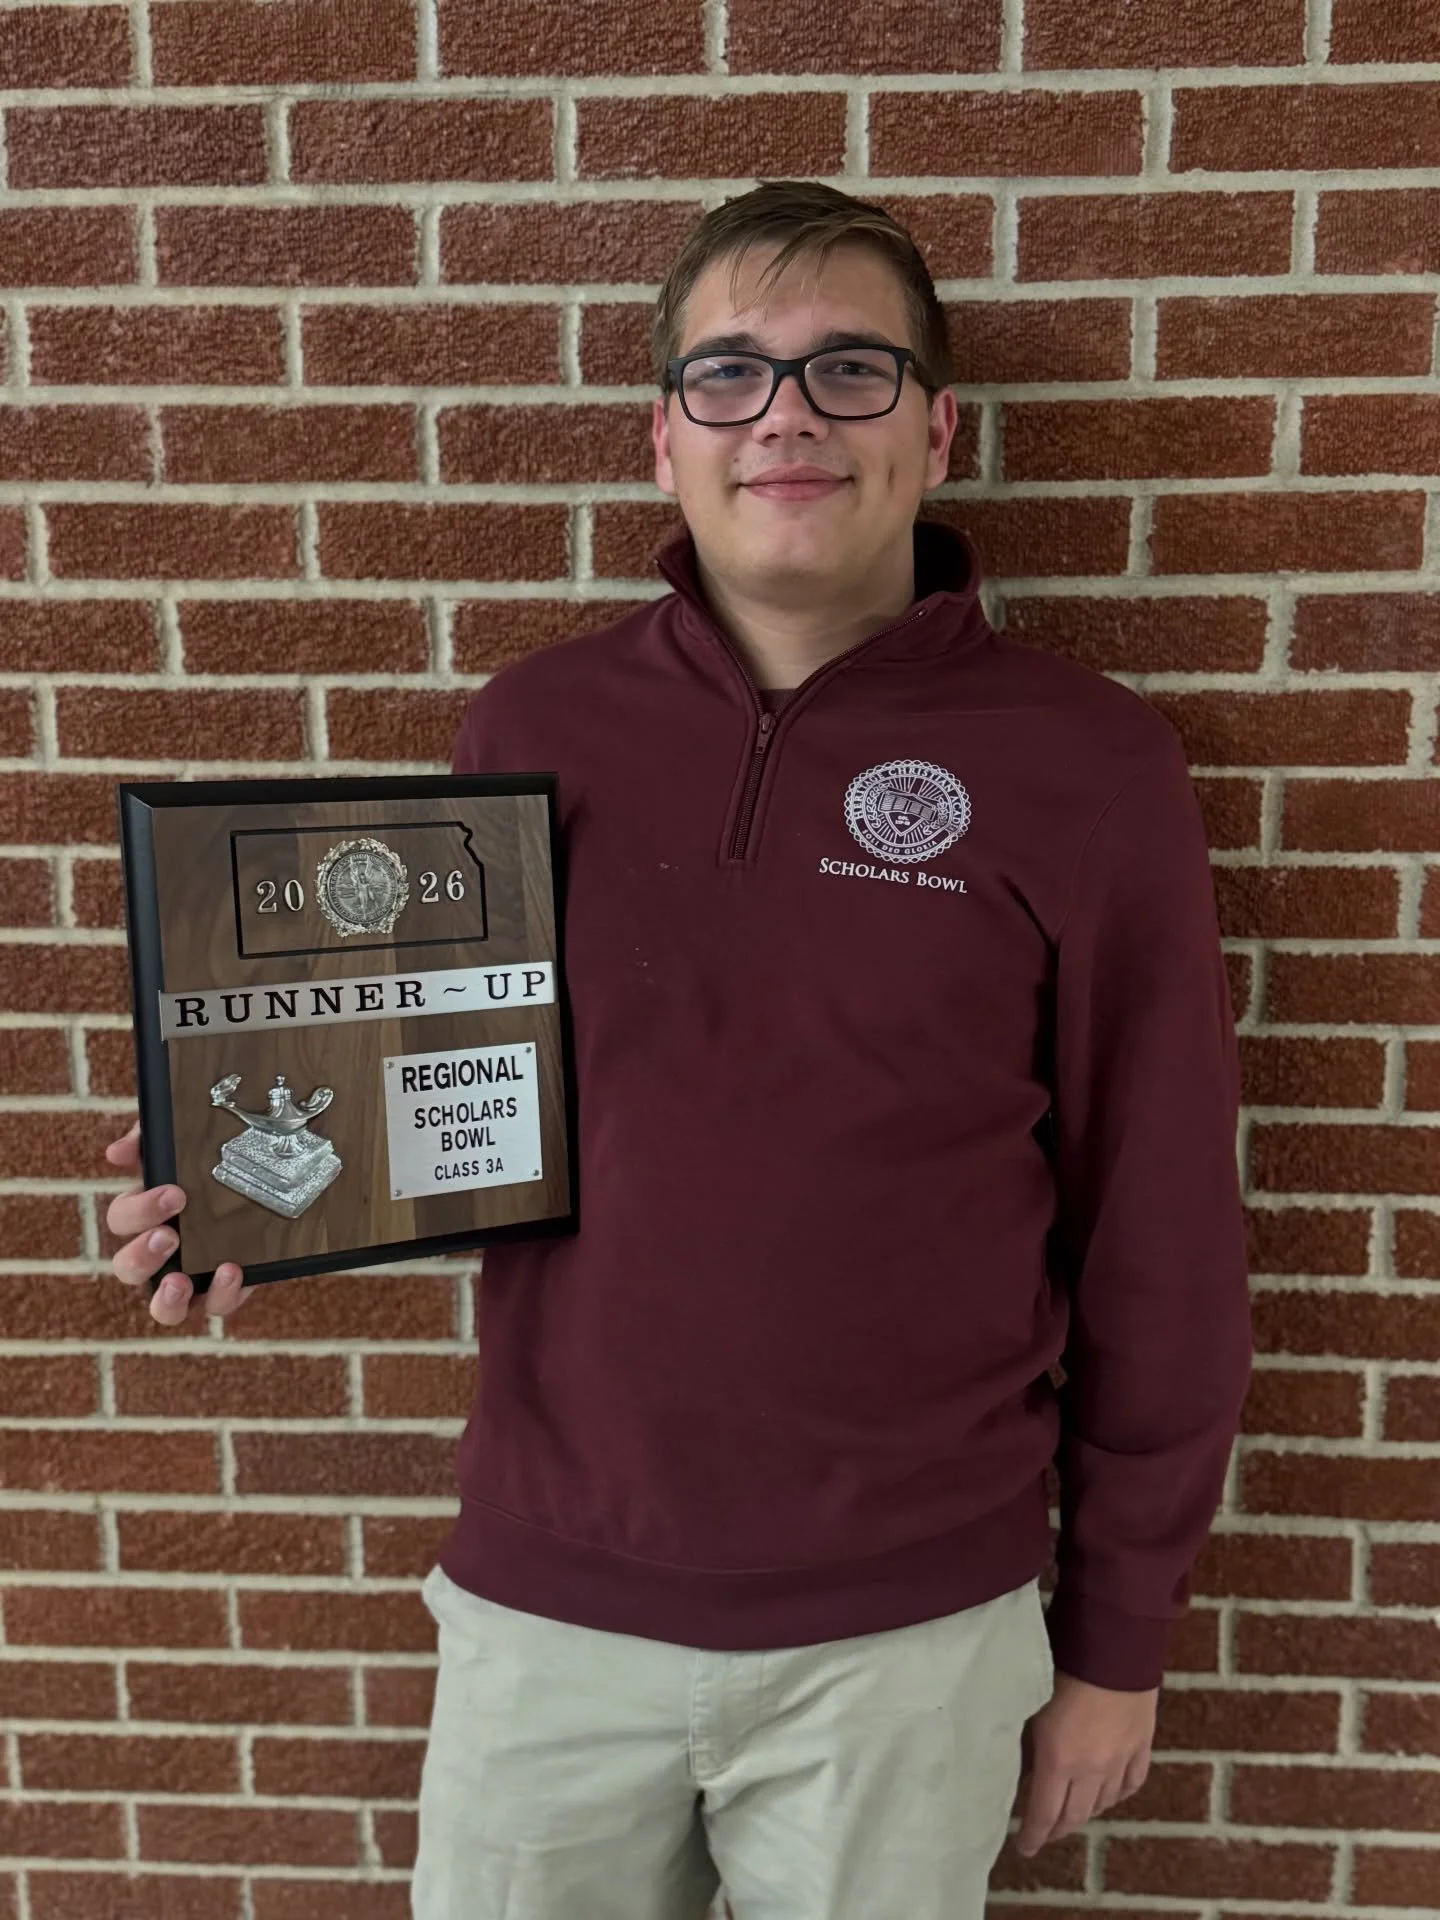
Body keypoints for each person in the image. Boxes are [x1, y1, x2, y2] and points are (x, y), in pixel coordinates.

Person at [103, 179, 1254, 1920]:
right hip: (551, 1610)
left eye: (848, 370)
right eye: (730, 374)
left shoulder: (1089, 770)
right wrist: (262, 1200)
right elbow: (447, 1111)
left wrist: (1116, 1638)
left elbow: (1164, 1238)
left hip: (909, 1636)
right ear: (664, 441)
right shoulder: (531, 732)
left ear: (937, 431)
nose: (785, 414)